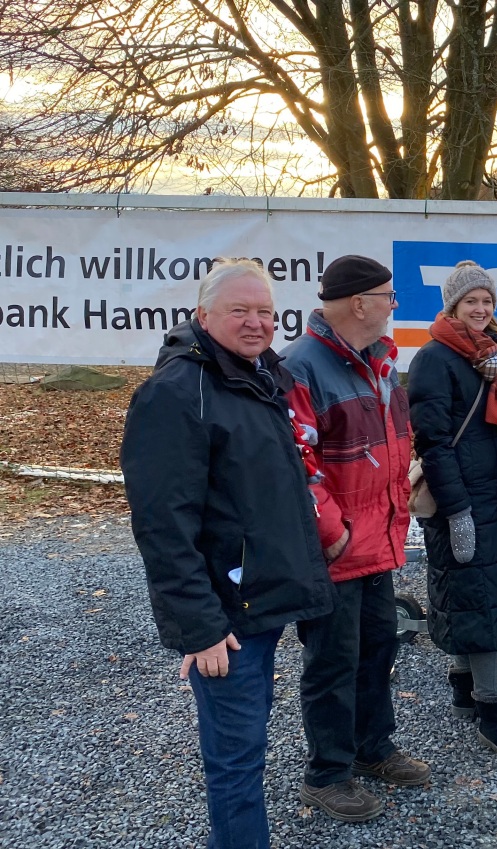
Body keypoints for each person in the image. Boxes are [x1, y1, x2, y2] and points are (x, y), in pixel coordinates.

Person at [120, 258, 336, 849]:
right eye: (239, 310)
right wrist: (199, 629)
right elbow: (164, 526)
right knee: (236, 763)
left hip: (260, 602)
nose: (255, 322)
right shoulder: (175, 393)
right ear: (202, 316)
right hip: (225, 621)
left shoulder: (259, 378)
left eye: (265, 311)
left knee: (250, 751)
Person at [282, 255, 429, 823]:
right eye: (389, 296)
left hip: (377, 542)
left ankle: (373, 748)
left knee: (377, 649)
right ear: (360, 303)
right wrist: (332, 532)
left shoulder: (380, 365)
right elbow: (298, 461)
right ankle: (327, 773)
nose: (395, 306)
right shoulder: (302, 367)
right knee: (333, 660)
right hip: (338, 548)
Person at [406, 260, 497, 761]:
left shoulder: (491, 355)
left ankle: (463, 689)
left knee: (469, 594)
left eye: (486, 301)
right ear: (452, 306)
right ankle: (491, 710)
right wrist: (458, 511)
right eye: (471, 302)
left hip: (495, 495)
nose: (480, 309)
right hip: (462, 501)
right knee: (477, 599)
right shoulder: (434, 359)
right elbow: (433, 443)